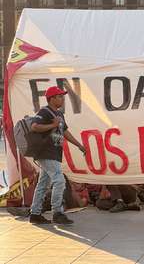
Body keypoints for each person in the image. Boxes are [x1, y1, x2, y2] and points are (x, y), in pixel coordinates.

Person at [29, 86, 86, 225]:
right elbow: (34, 126)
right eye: (59, 96)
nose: (62, 99)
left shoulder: (59, 114)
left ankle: (35, 214)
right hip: (45, 152)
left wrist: (78, 144)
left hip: (54, 153)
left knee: (43, 184)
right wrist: (52, 125)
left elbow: (65, 132)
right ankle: (57, 213)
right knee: (59, 180)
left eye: (62, 96)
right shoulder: (45, 112)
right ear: (51, 98)